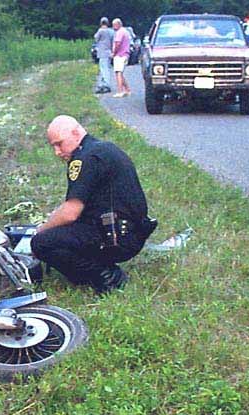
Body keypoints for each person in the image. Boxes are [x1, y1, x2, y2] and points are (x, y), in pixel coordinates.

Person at [31, 115, 156, 294]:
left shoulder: (83, 159)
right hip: (130, 232)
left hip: (117, 238)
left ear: (76, 133)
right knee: (58, 231)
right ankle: (98, 268)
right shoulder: (102, 148)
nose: (57, 152)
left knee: (41, 243)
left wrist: (41, 229)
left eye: (59, 144)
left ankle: (106, 276)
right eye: (53, 146)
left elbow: (70, 213)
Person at [94, 17, 114, 94]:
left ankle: (106, 84)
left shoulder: (100, 31)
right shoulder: (111, 31)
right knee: (107, 68)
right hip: (109, 52)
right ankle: (103, 83)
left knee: (103, 68)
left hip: (102, 52)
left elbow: (96, 38)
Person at [111, 18, 131, 98]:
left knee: (118, 73)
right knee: (120, 73)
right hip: (125, 54)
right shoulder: (125, 31)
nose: (113, 27)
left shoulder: (119, 32)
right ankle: (127, 89)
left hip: (120, 55)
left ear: (119, 24)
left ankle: (120, 91)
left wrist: (114, 53)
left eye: (114, 25)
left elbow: (118, 44)